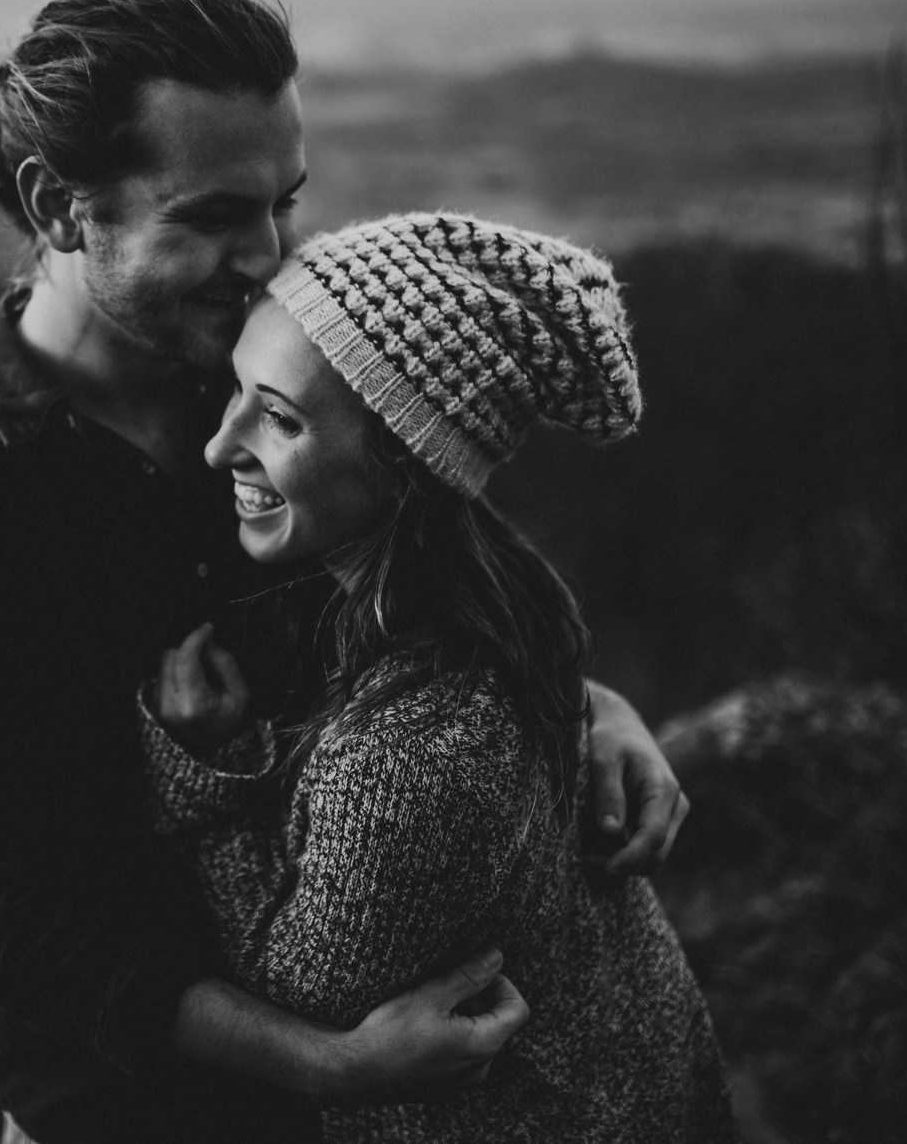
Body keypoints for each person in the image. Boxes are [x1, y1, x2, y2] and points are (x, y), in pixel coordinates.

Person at [0, 0, 690, 1142]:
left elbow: (440, 591)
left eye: (282, 201)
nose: (270, 251)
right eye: (212, 217)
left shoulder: (303, 374)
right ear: (57, 206)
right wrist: (318, 1062)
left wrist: (577, 703)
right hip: (123, 1112)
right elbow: (2, 912)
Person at [142, 210, 736, 1141]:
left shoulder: (411, 750)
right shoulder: (498, 609)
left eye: (283, 418)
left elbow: (293, 996)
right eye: (238, 392)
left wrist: (211, 768)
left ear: (405, 469)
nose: (222, 446)